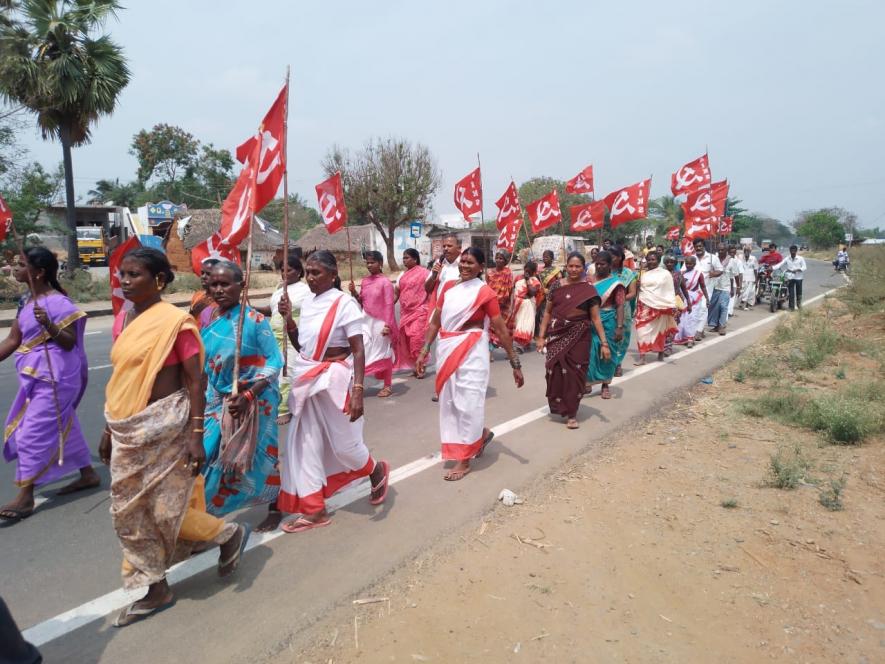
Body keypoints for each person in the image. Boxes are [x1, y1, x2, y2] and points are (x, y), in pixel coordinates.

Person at [102, 248, 248, 627]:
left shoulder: (176, 323)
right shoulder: (124, 318)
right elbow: (121, 377)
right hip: (127, 427)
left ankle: (157, 586)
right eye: (123, 274)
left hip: (167, 424)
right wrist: (107, 428)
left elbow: (194, 380)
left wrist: (197, 436)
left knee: (159, 509)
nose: (125, 281)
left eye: (134, 274)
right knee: (130, 509)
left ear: (160, 281)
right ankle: (222, 535)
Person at [278, 250, 390, 531]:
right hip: (308, 380)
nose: (311, 278)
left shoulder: (344, 303)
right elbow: (303, 348)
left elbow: (358, 349)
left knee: (345, 446)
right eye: (309, 273)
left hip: (335, 381)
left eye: (317, 273)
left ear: (333, 274)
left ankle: (375, 470)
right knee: (305, 444)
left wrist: (358, 389)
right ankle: (315, 510)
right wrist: (289, 320)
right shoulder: (308, 303)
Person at [0, 248, 97, 522]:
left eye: (21, 265)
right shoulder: (26, 300)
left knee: (29, 432)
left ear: (39, 272)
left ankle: (25, 495)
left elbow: (68, 342)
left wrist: (49, 326)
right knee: (64, 421)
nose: (15, 269)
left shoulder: (60, 304)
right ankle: (87, 474)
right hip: (37, 373)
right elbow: (12, 340)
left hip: (56, 376)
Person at [416, 248, 524, 480]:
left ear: (480, 267)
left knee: (468, 403)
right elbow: (435, 322)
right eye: (462, 262)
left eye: (470, 262)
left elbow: (501, 329)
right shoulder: (447, 288)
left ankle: (464, 460)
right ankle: (480, 435)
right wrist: (424, 350)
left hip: (472, 352)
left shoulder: (485, 293)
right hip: (447, 350)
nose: (464, 266)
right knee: (451, 404)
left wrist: (515, 363)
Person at [201, 261, 284, 531]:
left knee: (262, 458)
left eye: (225, 284)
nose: (219, 289)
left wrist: (249, 394)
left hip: (257, 401)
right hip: (219, 402)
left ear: (241, 285)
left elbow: (274, 360)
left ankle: (276, 504)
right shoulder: (211, 320)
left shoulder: (254, 321)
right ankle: (207, 521)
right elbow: (205, 366)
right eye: (214, 284)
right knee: (210, 456)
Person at [259, 253, 311, 425]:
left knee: (289, 373)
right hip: (274, 338)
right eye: (282, 270)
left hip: (292, 336)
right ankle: (276, 405)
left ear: (298, 272)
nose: (284, 274)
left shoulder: (305, 290)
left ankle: (285, 409)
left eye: (288, 270)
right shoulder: (279, 290)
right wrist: (251, 307)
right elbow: (271, 310)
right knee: (274, 372)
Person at [349, 251, 397, 398]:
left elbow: (389, 305)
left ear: (380, 263)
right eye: (367, 262)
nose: (369, 265)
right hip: (366, 320)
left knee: (384, 353)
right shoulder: (365, 281)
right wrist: (354, 292)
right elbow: (362, 302)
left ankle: (387, 386)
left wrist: (388, 325)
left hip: (380, 322)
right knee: (363, 350)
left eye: (372, 262)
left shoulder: (386, 282)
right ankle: (357, 385)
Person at [585, 251, 627, 402]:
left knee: (607, 353)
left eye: (602, 264)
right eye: (597, 264)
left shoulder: (616, 283)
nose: (599, 267)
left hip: (608, 320)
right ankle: (588, 381)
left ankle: (605, 384)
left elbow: (620, 306)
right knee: (589, 351)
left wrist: (620, 327)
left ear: (610, 265)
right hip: (590, 320)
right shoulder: (589, 281)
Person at [634, 251, 678, 364]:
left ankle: (660, 352)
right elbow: (639, 291)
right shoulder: (643, 274)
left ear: (658, 261)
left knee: (660, 331)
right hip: (644, 306)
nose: (650, 261)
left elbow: (669, 291)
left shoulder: (665, 274)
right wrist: (637, 286)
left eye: (653, 259)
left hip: (660, 306)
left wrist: (671, 305)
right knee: (641, 331)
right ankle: (642, 357)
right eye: (648, 259)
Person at [394, 248, 430, 374]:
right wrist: (386, 306)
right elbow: (396, 294)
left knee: (417, 339)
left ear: (415, 259)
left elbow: (430, 289)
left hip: (420, 310)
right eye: (403, 258)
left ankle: (422, 365)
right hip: (406, 313)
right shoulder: (401, 276)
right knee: (407, 341)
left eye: (407, 257)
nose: (404, 260)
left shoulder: (425, 273)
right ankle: (415, 365)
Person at [610, 246, 637, 377]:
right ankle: (607, 364)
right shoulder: (604, 271)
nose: (610, 259)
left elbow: (632, 293)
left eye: (613, 256)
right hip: (606, 307)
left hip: (623, 308)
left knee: (621, 337)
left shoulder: (628, 273)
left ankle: (618, 363)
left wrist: (618, 298)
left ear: (620, 257)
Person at [673, 254, 708, 347]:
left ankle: (690, 339)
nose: (688, 265)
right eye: (687, 263)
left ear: (694, 264)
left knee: (691, 318)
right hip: (682, 297)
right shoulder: (681, 273)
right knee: (681, 318)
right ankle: (681, 337)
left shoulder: (698, 274)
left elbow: (703, 286)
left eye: (690, 264)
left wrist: (707, 298)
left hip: (694, 298)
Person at [486, 250, 515, 353]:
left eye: (501, 258)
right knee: (490, 329)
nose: (498, 260)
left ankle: (510, 352)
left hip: (505, 306)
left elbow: (511, 291)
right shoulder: (489, 272)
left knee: (505, 329)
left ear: (505, 261)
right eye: (497, 257)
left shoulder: (509, 273)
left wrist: (511, 307)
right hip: (492, 305)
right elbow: (486, 289)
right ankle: (490, 353)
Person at [707, 244, 739, 334]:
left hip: (726, 287)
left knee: (723, 306)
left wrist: (738, 287)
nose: (721, 252)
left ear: (726, 251)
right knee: (714, 307)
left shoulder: (731, 261)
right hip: (714, 286)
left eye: (722, 250)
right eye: (719, 250)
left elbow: (735, 275)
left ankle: (722, 326)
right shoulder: (714, 260)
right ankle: (716, 325)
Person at [663, 254, 692, 354]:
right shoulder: (661, 274)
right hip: (663, 301)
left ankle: (668, 347)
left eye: (672, 262)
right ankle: (662, 345)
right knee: (663, 324)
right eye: (668, 262)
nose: (670, 264)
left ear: (676, 263)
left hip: (676, 301)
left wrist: (688, 302)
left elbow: (684, 288)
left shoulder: (679, 274)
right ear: (665, 263)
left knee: (673, 324)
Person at [510, 261, 541, 350]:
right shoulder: (518, 278)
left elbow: (532, 292)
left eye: (529, 272)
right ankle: (523, 343)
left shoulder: (535, 281)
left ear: (533, 272)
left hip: (528, 305)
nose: (526, 273)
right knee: (518, 323)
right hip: (517, 304)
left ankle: (522, 345)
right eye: (525, 271)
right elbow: (512, 290)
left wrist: (527, 280)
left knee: (525, 324)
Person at [773, 245, 807, 310]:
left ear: (796, 251)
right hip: (790, 278)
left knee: (799, 292)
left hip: (799, 278)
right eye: (791, 251)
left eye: (794, 251)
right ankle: (791, 307)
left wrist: (797, 270)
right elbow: (780, 264)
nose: (793, 252)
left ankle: (799, 305)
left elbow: (804, 267)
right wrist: (772, 268)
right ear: (790, 251)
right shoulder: (787, 258)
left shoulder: (800, 258)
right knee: (791, 293)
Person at [189, 257, 220, 327]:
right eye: (202, 273)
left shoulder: (221, 300)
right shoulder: (197, 295)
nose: (203, 276)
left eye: (208, 274)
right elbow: (190, 318)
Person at [738, 245, 759, 310]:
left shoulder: (753, 258)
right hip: (743, 277)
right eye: (745, 250)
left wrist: (756, 278)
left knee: (750, 292)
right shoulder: (740, 257)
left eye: (748, 250)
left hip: (751, 277)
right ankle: (742, 303)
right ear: (743, 251)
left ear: (750, 251)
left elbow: (755, 269)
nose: (746, 252)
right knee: (742, 291)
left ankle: (746, 305)